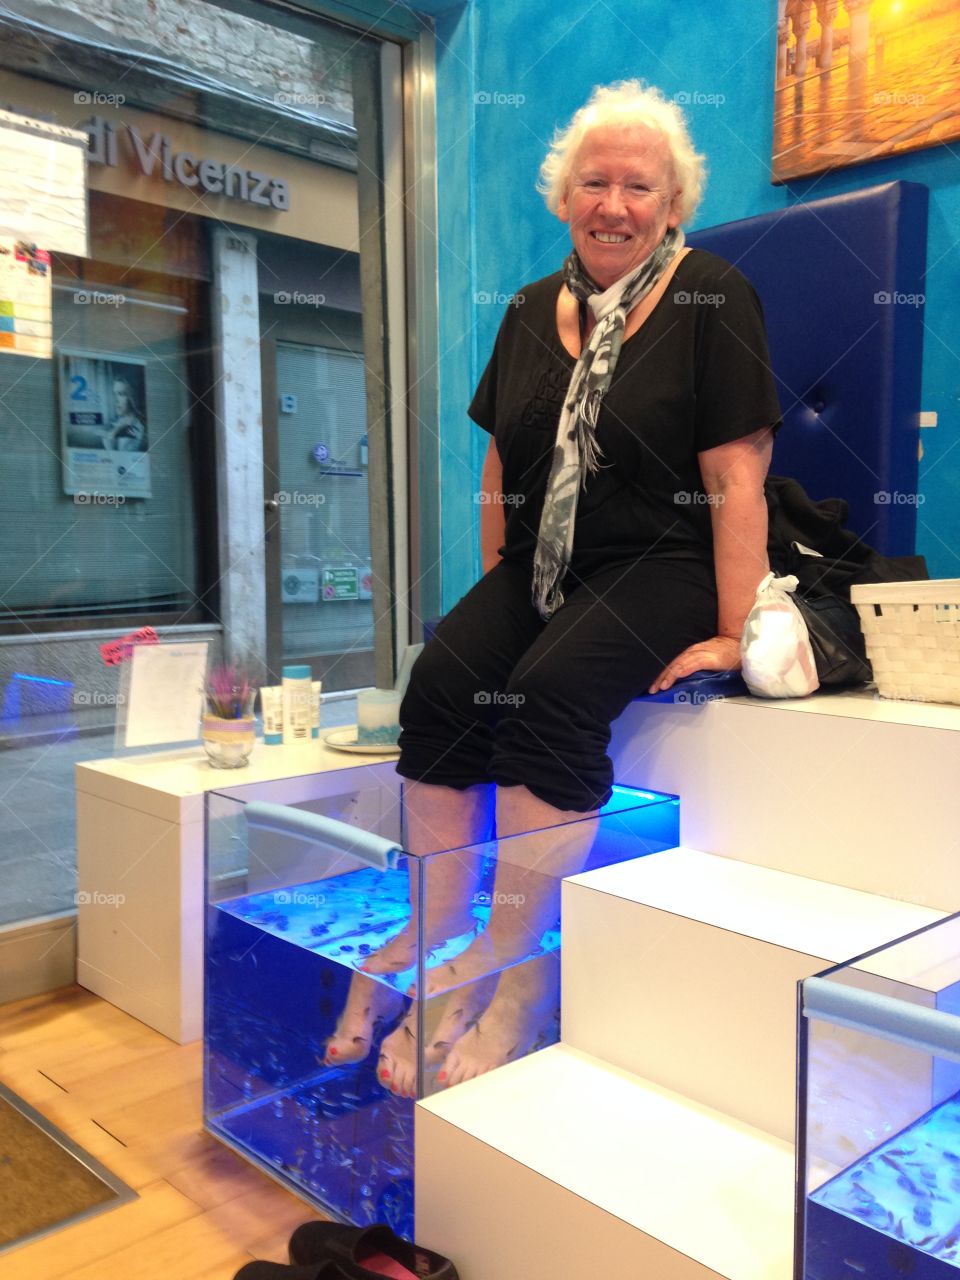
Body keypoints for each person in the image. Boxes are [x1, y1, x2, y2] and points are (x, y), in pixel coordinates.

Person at [325, 80, 781, 1097]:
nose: (612, 202)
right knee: (443, 682)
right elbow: (500, 473)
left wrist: (736, 632)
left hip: (663, 557)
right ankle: (441, 918)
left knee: (544, 698)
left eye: (637, 185)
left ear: (673, 204)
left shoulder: (714, 294)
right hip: (543, 559)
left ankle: (517, 967)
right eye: (593, 181)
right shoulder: (533, 307)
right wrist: (493, 601)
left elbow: (736, 474)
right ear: (563, 195)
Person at [102, 377, 146, 452]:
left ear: (131, 397)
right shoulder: (115, 423)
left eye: (121, 394)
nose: (115, 400)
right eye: (114, 394)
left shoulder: (140, 428)